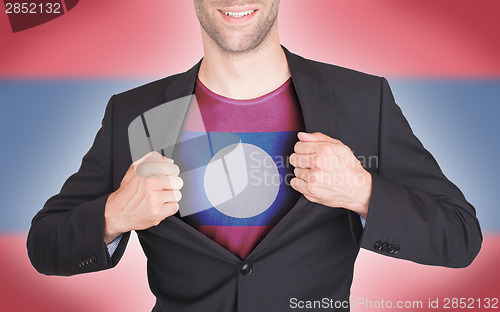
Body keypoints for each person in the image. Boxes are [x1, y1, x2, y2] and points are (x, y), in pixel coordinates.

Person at [27, 1, 482, 311]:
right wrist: (114, 214)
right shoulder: (135, 113)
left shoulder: (362, 100)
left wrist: (363, 191)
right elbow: (45, 245)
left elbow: (460, 236)